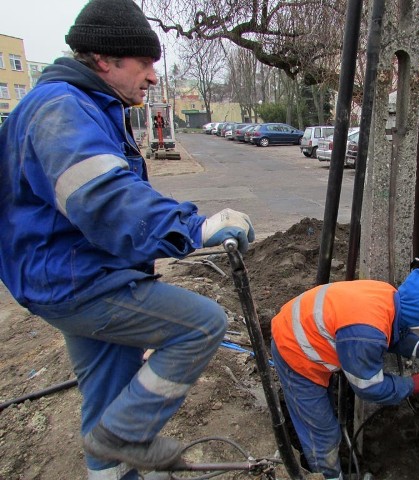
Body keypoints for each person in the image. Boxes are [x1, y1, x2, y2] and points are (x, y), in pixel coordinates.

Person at [0, 1, 254, 479]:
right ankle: (124, 437)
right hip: (77, 281)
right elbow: (105, 200)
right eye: (145, 62)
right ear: (104, 59)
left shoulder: (82, 105)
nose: (154, 76)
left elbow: (117, 191)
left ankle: (113, 454)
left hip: (70, 273)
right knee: (201, 325)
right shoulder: (63, 109)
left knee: (110, 397)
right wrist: (194, 228)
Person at [271, 266, 419, 480]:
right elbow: (369, 387)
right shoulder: (366, 334)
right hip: (294, 352)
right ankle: (329, 476)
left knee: (325, 421)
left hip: (303, 330)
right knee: (322, 434)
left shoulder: (388, 296)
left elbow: (393, 331)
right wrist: (411, 385)